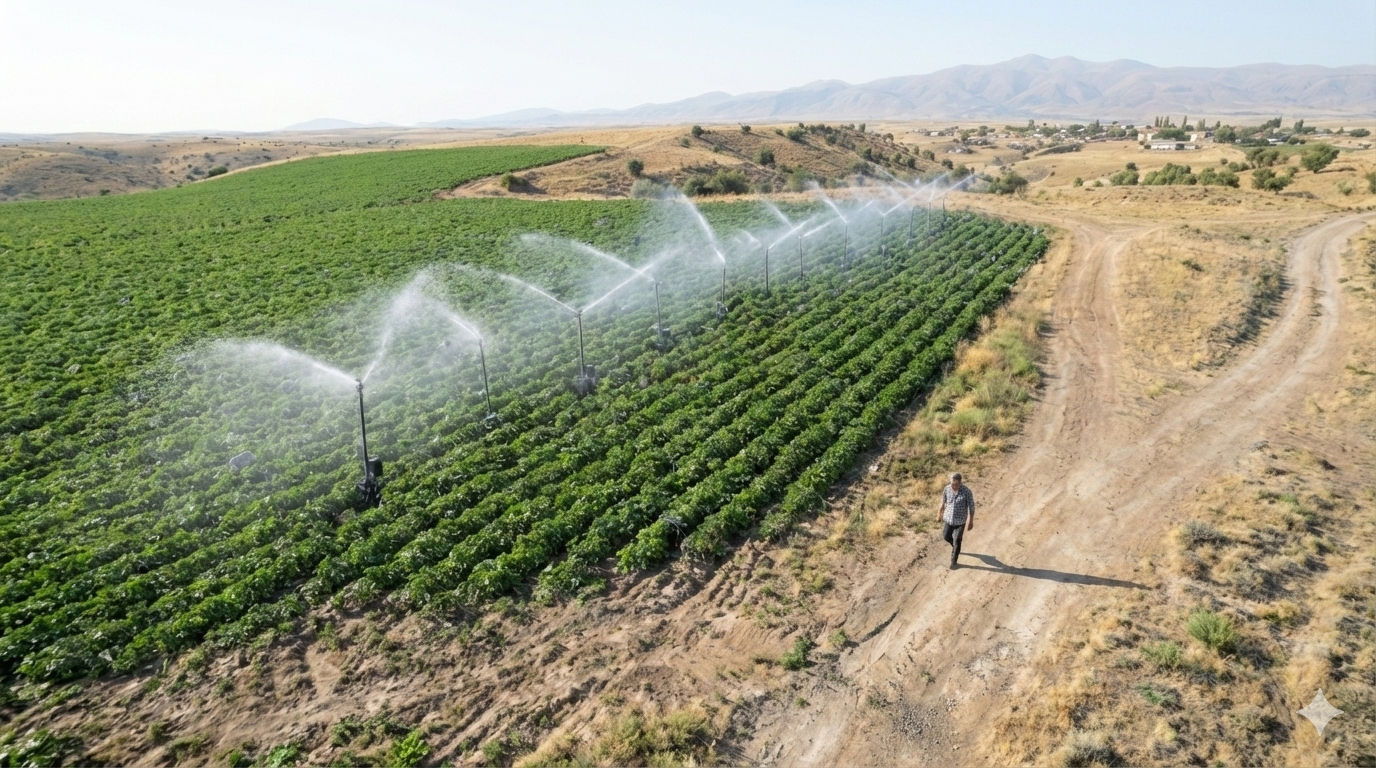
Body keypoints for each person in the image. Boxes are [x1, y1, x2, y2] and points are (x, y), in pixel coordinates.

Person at [936, 472, 974, 568]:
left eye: (956, 484)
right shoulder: (947, 489)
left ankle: (954, 561)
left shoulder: (967, 492)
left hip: (960, 521)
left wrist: (971, 521)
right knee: (946, 536)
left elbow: (971, 507)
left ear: (960, 483)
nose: (953, 486)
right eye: (952, 483)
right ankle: (956, 547)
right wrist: (939, 514)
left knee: (957, 540)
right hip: (948, 519)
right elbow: (943, 501)